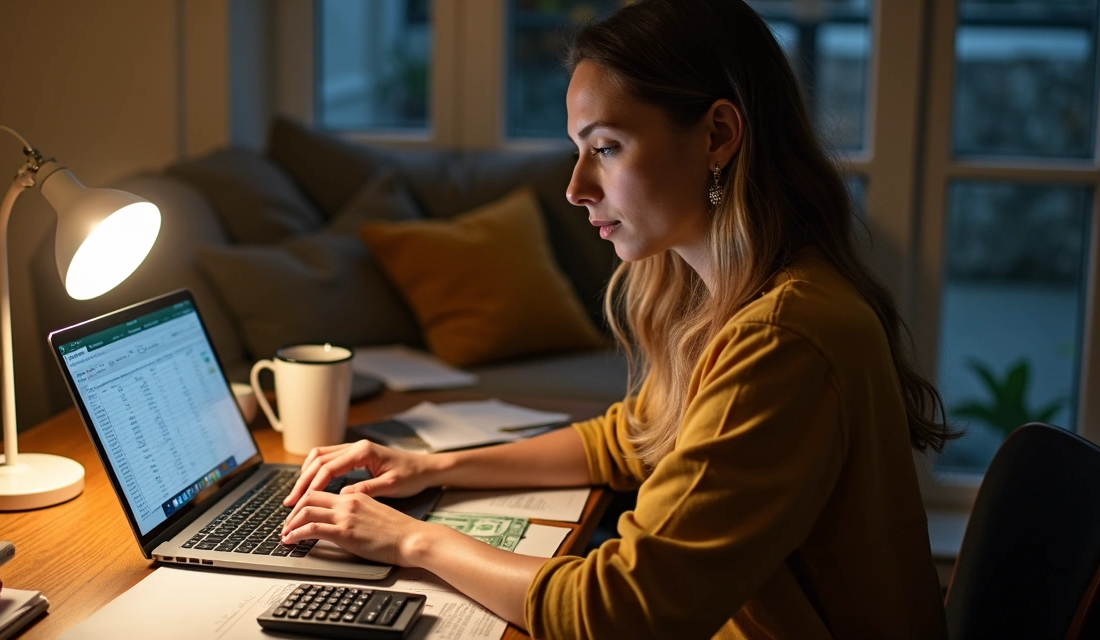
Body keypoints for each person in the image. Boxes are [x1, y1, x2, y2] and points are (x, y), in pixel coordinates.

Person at [279, 0, 956, 637]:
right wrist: (434, 467)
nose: (576, 187)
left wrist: (410, 538)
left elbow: (623, 612)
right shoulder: (738, 293)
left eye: (605, 148)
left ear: (718, 135)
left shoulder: (784, 338)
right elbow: (629, 438)